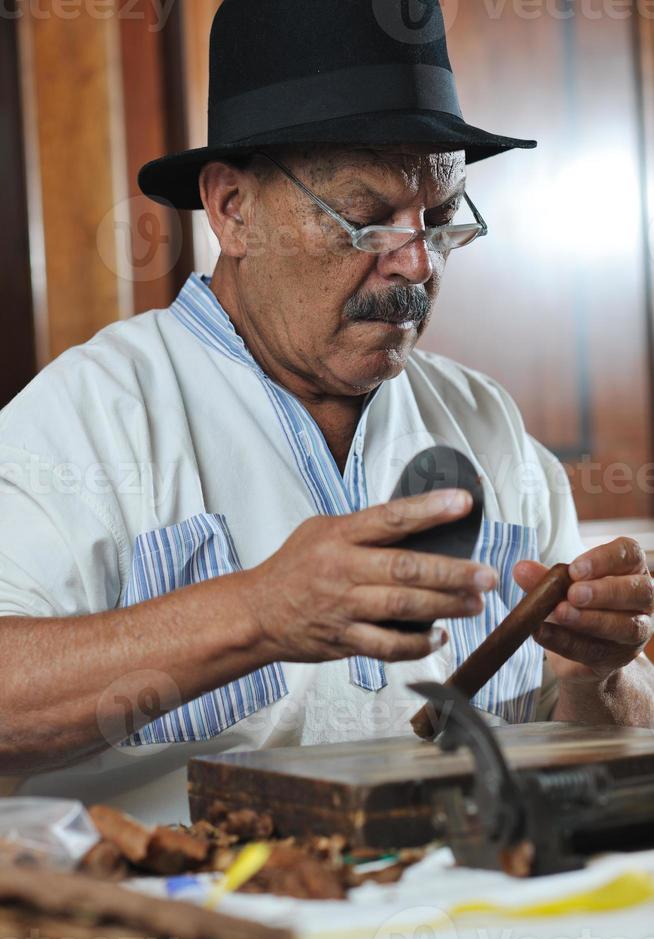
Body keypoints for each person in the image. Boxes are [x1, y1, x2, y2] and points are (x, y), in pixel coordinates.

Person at [1, 0, 652, 824]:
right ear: (234, 209)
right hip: (190, 936)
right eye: (367, 220)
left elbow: (591, 738)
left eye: (440, 219)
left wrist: (602, 676)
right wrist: (257, 612)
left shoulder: (484, 422)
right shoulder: (90, 418)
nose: (415, 265)